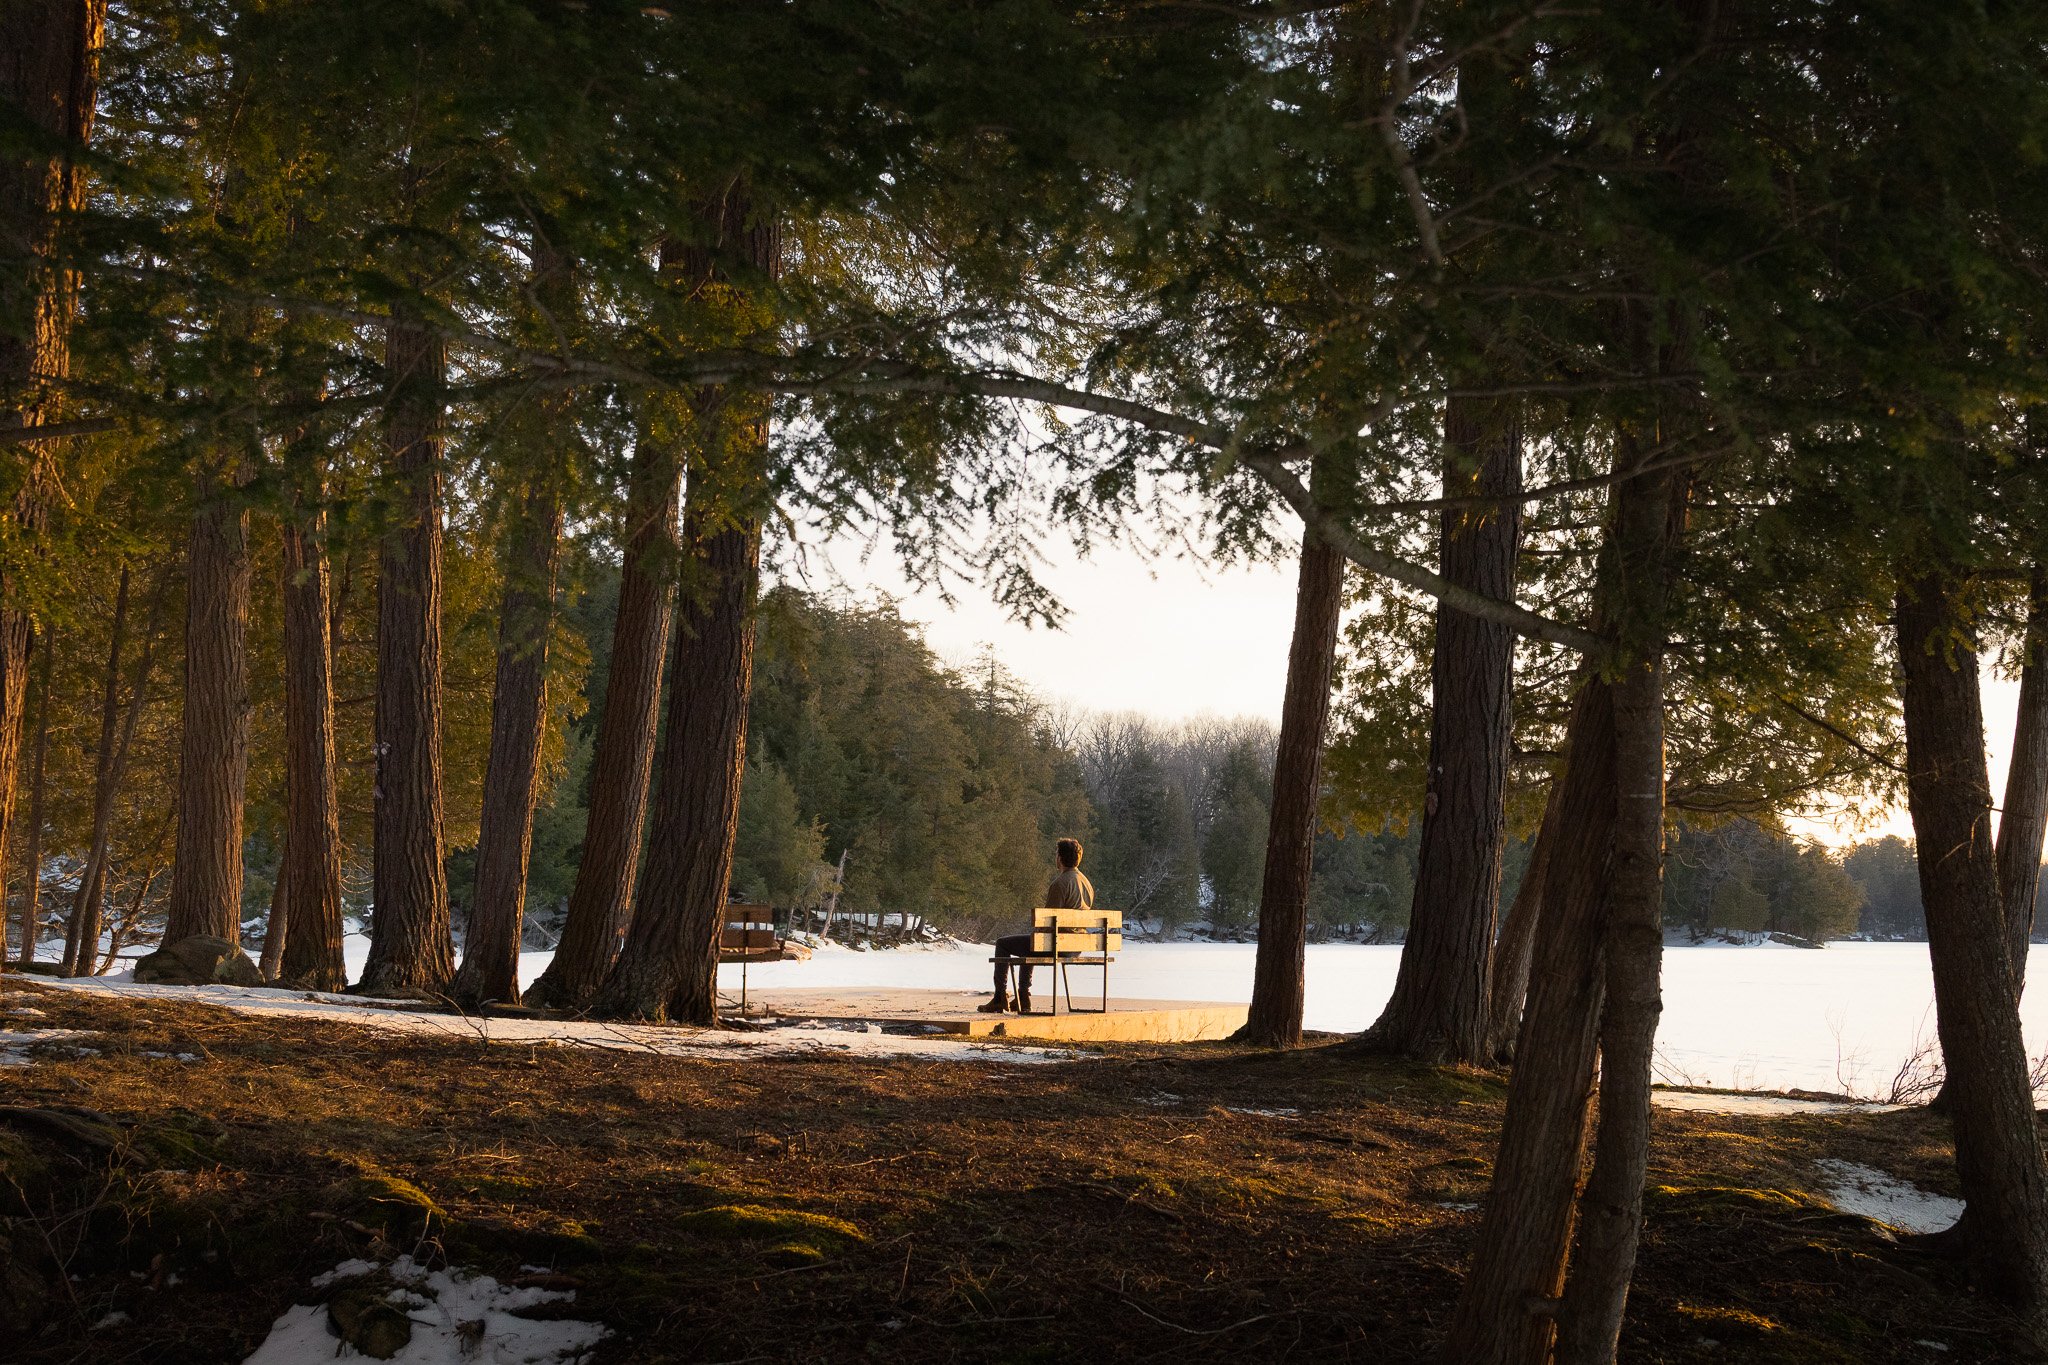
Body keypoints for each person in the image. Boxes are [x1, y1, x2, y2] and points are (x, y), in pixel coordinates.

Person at [982, 837, 1094, 1014]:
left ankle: (999, 997)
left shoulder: (1060, 883)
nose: (1055, 857)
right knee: (1033, 943)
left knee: (1004, 943)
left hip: (1059, 944)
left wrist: (1038, 933)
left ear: (1060, 858)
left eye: (1057, 854)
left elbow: (1048, 920)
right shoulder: (1086, 883)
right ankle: (1022, 998)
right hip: (1077, 945)